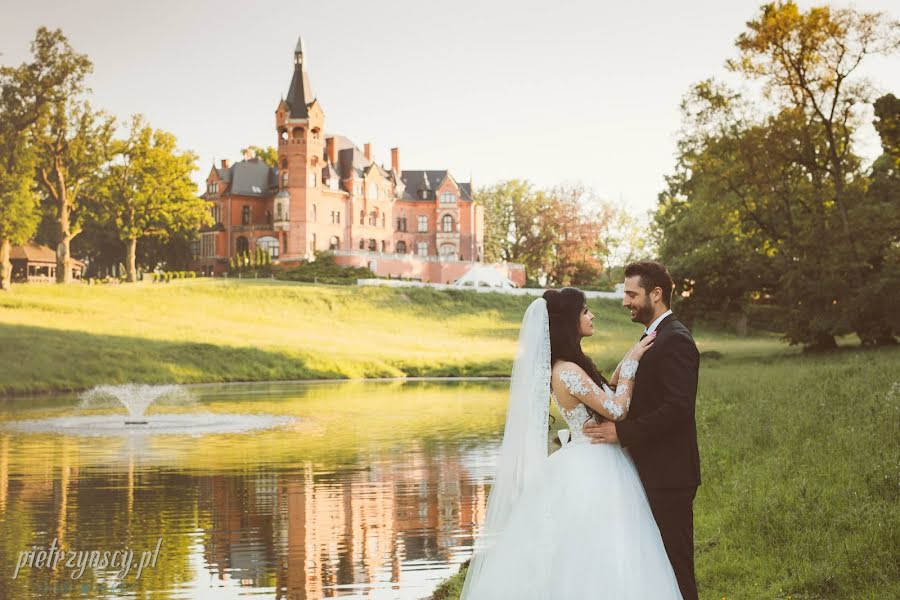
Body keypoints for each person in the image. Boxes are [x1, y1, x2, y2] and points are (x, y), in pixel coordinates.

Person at [460, 287, 682, 600]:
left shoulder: (569, 367)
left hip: (591, 455)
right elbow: (617, 409)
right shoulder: (566, 371)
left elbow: (605, 391)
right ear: (569, 322)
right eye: (585, 311)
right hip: (595, 463)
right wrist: (631, 366)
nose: (591, 316)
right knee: (603, 544)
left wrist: (625, 363)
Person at [584, 261, 701, 600]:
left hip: (669, 476)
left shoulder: (676, 339)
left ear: (657, 294)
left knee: (676, 569)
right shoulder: (653, 337)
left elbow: (678, 409)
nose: (625, 302)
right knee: (654, 571)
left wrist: (624, 433)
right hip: (650, 471)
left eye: (632, 294)